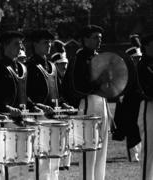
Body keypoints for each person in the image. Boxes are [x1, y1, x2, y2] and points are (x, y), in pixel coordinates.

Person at [0, 31, 46, 180]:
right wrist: (7, 109)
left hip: (24, 121)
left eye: (21, 43)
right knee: (11, 168)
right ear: (5, 46)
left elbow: (23, 95)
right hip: (7, 123)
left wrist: (33, 107)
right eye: (16, 43)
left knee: (25, 165)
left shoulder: (22, 67)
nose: (20, 46)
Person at [26, 29, 72, 180]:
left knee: (55, 159)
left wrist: (65, 104)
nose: (49, 45)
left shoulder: (52, 65)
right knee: (43, 160)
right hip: (39, 118)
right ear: (35, 44)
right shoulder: (29, 66)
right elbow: (24, 93)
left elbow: (58, 92)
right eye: (45, 42)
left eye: (50, 42)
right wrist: (36, 106)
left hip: (55, 117)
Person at [69, 25, 109, 180]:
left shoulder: (99, 56)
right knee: (89, 149)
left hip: (102, 102)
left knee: (101, 148)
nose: (99, 40)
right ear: (85, 40)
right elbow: (77, 86)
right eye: (95, 37)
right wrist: (98, 83)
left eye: (100, 37)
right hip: (88, 103)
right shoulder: (79, 58)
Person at [112, 34, 142, 162]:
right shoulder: (123, 71)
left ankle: (139, 152)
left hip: (139, 102)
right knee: (130, 128)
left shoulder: (142, 69)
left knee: (140, 127)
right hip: (128, 104)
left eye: (139, 58)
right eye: (135, 58)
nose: (137, 60)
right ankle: (133, 154)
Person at [50, 39, 72, 171]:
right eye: (60, 64)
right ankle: (58, 161)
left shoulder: (68, 78)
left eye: (65, 64)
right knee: (56, 138)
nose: (64, 67)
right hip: (56, 111)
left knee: (68, 135)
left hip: (67, 110)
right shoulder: (52, 79)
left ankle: (67, 163)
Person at [137, 33, 153, 180]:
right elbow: (144, 91)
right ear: (147, 45)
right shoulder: (142, 65)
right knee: (149, 149)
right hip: (149, 107)